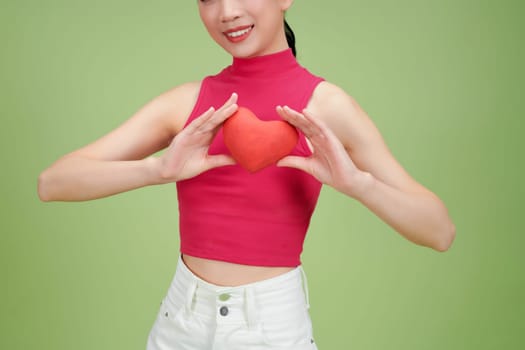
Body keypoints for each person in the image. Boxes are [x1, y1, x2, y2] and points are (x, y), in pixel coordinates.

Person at [37, 0, 456, 349]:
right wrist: (156, 169)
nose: (226, 12)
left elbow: (439, 231)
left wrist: (357, 184)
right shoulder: (188, 103)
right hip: (178, 325)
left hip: (271, 328)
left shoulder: (327, 107)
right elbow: (52, 182)